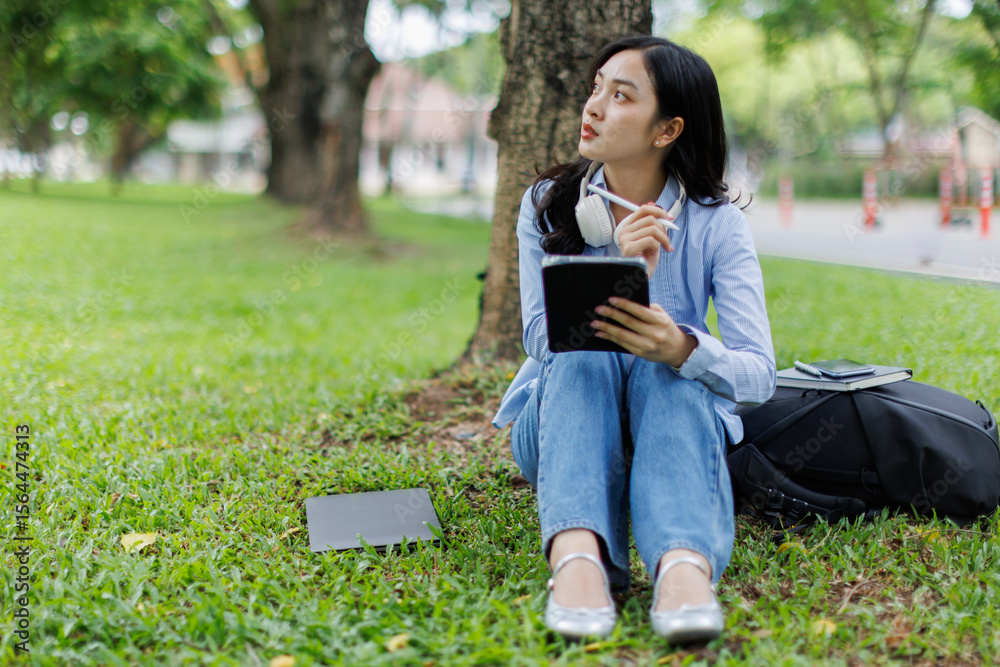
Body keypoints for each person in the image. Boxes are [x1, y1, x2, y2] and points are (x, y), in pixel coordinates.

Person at [490, 35, 776, 643]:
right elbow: (541, 338)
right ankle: (576, 559)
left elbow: (758, 374)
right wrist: (618, 273)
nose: (593, 107)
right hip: (561, 423)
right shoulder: (546, 204)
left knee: (669, 365)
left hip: (670, 429)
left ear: (666, 130)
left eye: (620, 97)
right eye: (597, 89)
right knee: (580, 356)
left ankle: (682, 570)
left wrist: (681, 347)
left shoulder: (716, 224)